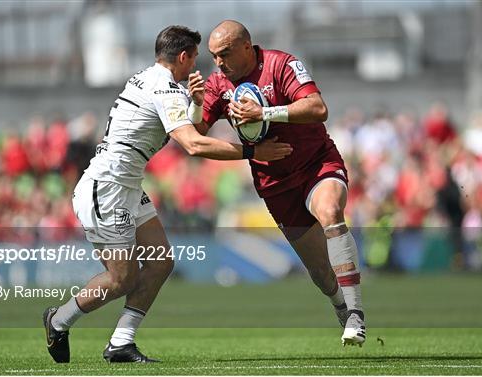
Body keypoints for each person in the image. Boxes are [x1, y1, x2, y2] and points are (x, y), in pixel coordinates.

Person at [43, 25, 292, 364]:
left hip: (126, 185)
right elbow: (193, 143)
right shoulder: (166, 90)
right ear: (185, 56)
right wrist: (253, 151)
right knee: (122, 278)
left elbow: (177, 126)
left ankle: (121, 343)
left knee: (161, 262)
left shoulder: (146, 78)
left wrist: (197, 102)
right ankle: (59, 320)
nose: (198, 67)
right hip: (107, 188)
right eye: (196, 59)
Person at [189, 20, 365, 346]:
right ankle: (341, 305)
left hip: (316, 163)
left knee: (330, 212)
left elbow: (318, 108)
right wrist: (197, 103)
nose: (218, 63)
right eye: (213, 56)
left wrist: (265, 114)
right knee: (321, 274)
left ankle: (356, 312)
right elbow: (197, 133)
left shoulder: (281, 64)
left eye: (224, 54)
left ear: (246, 46)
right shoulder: (217, 83)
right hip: (275, 184)